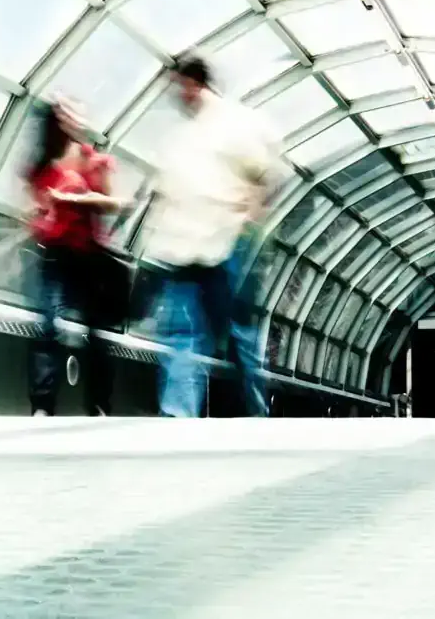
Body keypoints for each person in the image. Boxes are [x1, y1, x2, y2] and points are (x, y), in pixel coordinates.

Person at [141, 54, 286, 419]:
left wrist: (249, 216)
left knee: (237, 334)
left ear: (194, 84)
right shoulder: (180, 137)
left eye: (178, 86)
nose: (176, 96)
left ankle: (256, 411)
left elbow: (266, 174)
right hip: (183, 249)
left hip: (227, 241)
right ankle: (177, 415)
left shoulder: (235, 124)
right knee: (181, 330)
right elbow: (165, 193)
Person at [22, 97, 123, 416]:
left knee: (95, 333)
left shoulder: (91, 159)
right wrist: (38, 214)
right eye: (66, 114)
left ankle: (98, 404)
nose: (74, 119)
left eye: (76, 113)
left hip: (88, 256)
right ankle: (42, 405)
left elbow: (113, 203)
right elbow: (35, 205)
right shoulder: (41, 163)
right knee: (47, 325)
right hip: (53, 253)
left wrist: (72, 198)